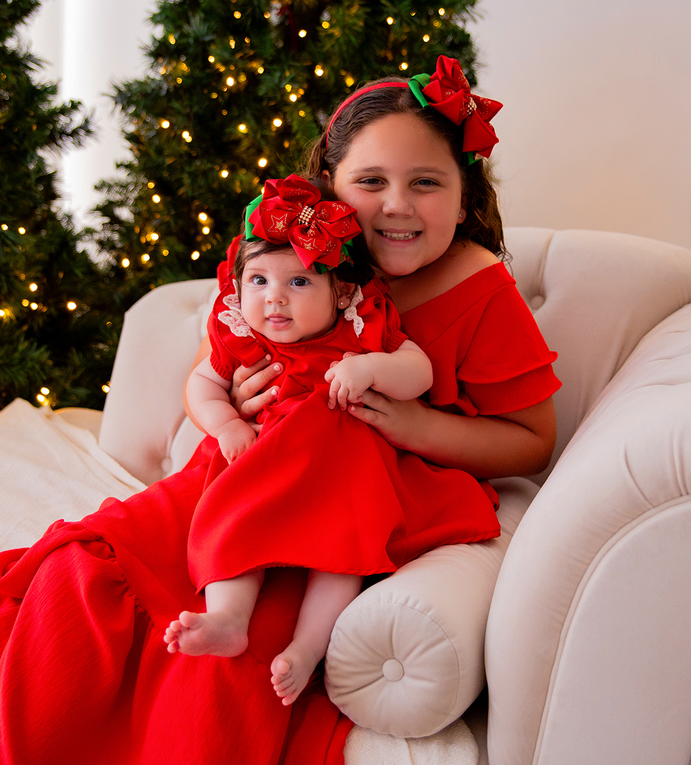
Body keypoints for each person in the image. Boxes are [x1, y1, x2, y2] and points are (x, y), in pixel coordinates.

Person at [0, 55, 561, 765]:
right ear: (330, 189)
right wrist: (226, 408)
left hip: (355, 499)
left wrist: (418, 425)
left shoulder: (478, 288)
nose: (397, 205)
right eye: (370, 182)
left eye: (426, 182)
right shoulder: (291, 268)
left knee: (221, 669)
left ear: (464, 191)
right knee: (70, 576)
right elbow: (209, 372)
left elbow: (533, 440)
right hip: (232, 476)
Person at [166, 175, 501, 706]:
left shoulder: (361, 328)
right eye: (258, 282)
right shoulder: (241, 336)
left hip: (342, 475)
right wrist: (228, 425)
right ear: (238, 286)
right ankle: (229, 618)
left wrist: (372, 367)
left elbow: (417, 372)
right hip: (263, 466)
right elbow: (201, 384)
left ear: (340, 290)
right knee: (234, 522)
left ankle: (307, 646)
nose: (274, 299)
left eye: (298, 283)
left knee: (343, 554)